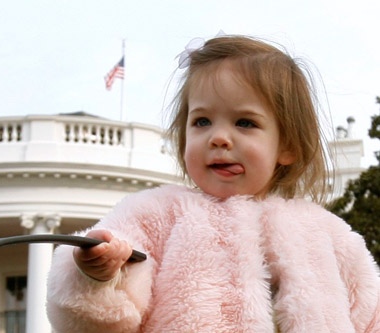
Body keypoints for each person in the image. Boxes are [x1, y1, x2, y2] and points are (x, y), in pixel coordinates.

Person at [47, 34, 380, 332]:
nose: (219, 137)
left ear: (288, 145)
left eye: (245, 122)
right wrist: (96, 276)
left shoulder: (329, 236)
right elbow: (92, 322)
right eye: (202, 121)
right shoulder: (155, 216)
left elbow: (370, 316)